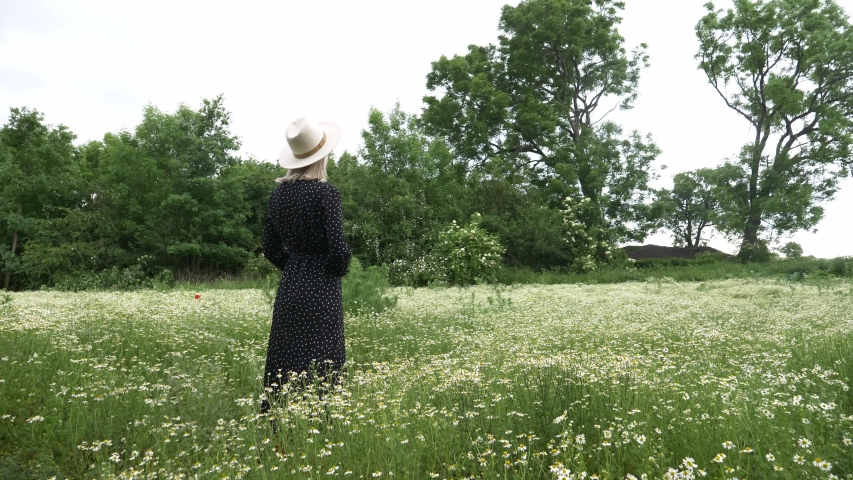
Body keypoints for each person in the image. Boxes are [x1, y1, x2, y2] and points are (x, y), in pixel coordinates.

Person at [260, 115, 351, 429]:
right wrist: (329, 271)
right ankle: (323, 427)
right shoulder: (327, 194)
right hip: (322, 288)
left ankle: (279, 426)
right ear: (322, 156)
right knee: (324, 360)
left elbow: (269, 247)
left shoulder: (278, 196)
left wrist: (296, 267)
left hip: (290, 287)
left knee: (285, 361)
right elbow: (338, 250)